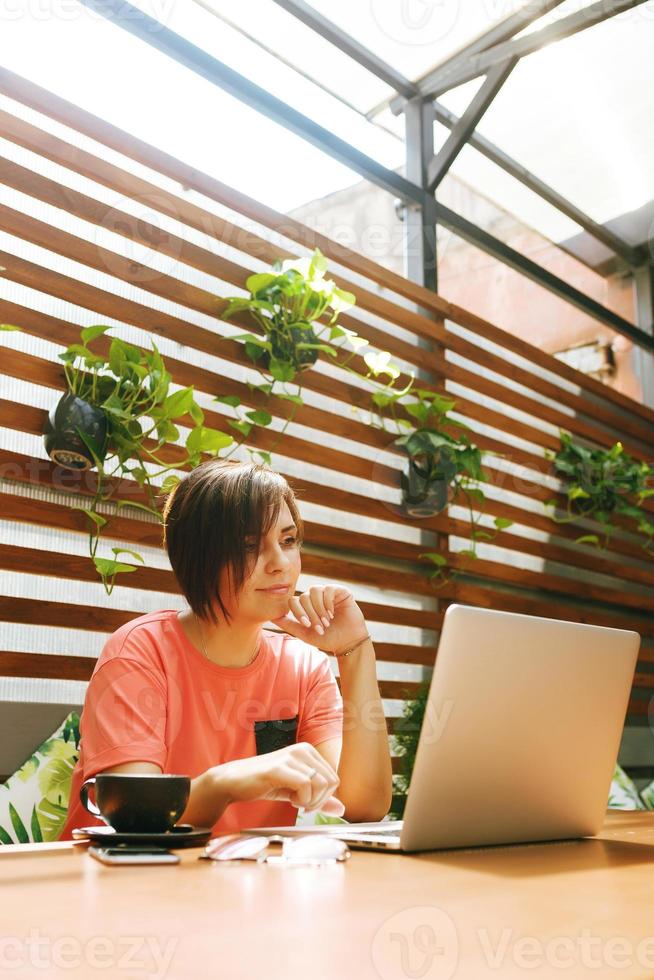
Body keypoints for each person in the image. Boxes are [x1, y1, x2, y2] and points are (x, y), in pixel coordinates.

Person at [59, 459, 393, 838]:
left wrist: (355, 650)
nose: (281, 563)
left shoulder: (302, 667)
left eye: (288, 540)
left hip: (239, 884)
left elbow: (364, 805)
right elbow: (135, 820)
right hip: (117, 882)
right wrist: (227, 783)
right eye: (250, 546)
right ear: (198, 558)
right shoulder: (140, 651)